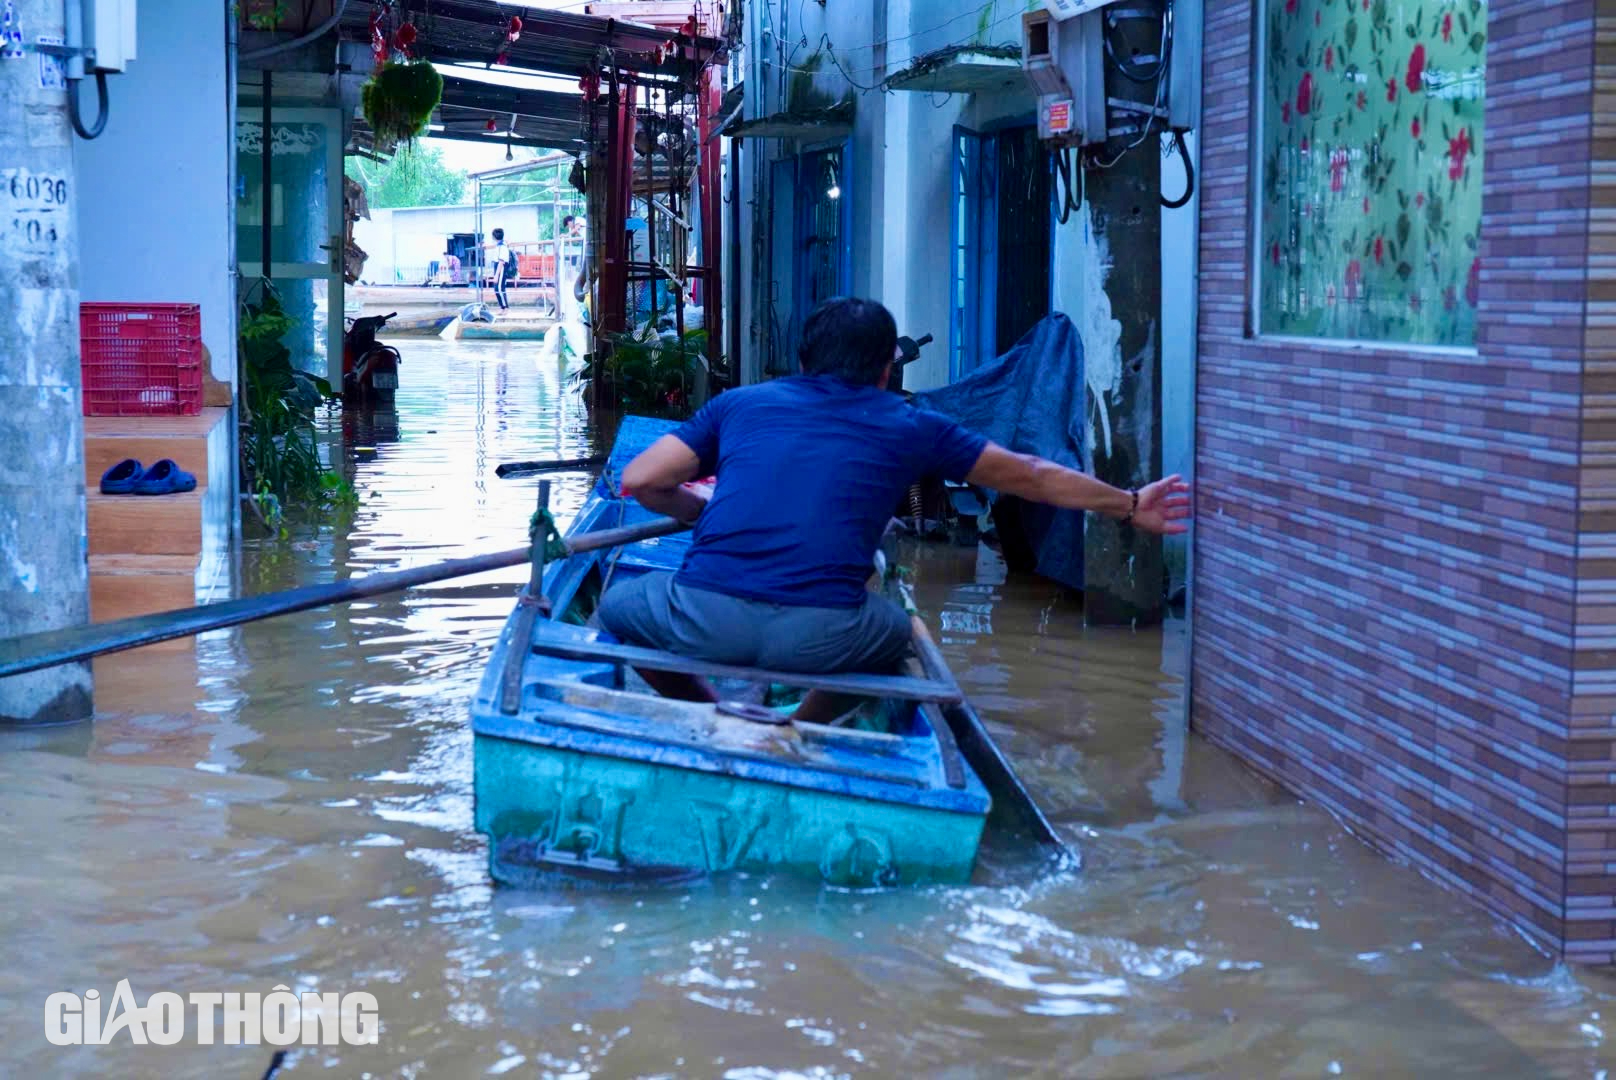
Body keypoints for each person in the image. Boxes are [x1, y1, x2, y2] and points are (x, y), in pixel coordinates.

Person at [598, 296, 1192, 724]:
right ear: (887, 370)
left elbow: (641, 480)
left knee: (618, 605)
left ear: (803, 360)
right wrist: (1131, 503)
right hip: (821, 639)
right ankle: (803, 726)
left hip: (702, 620)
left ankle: (712, 715)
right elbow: (1033, 476)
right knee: (900, 632)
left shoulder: (739, 405)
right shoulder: (912, 424)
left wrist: (703, 513)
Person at [490, 227, 513, 310]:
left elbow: (501, 261)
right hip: (498, 267)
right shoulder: (501, 245)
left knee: (499, 288)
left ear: (494, 237)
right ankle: (503, 307)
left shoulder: (502, 247)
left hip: (501, 267)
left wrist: (496, 275)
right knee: (498, 288)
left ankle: (505, 308)